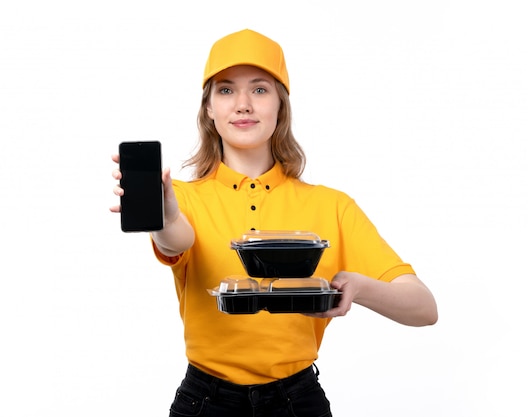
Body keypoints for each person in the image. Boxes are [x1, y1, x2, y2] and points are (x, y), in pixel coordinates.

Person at [111, 28, 438, 417]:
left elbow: (424, 309)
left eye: (260, 90)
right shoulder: (182, 199)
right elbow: (176, 239)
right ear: (209, 109)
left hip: (297, 402)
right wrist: (166, 214)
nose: (244, 104)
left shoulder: (331, 206)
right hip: (205, 403)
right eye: (226, 90)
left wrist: (359, 286)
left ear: (281, 106)